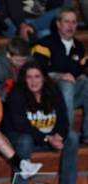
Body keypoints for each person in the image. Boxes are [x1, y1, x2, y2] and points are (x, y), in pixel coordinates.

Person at [2, 60, 79, 184]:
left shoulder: (53, 90)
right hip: (21, 136)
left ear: (44, 78)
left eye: (37, 76)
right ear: (24, 79)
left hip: (48, 136)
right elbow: (21, 125)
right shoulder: (16, 93)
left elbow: (63, 117)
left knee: (72, 137)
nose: (33, 81)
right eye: (29, 77)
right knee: (25, 140)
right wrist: (47, 138)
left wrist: (59, 136)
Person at [32, 7, 88, 143]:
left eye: (74, 22)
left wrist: (80, 77)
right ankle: (66, 133)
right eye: (67, 22)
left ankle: (87, 135)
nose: (71, 26)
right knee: (67, 83)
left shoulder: (79, 47)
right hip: (49, 94)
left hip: (72, 94)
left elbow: (82, 70)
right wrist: (58, 76)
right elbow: (36, 72)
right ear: (58, 24)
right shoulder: (44, 43)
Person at [0, 37, 32, 101]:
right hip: (3, 99)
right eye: (18, 60)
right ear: (8, 55)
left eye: (24, 60)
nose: (21, 64)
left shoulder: (29, 60)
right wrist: (10, 96)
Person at [1, 0, 69, 41]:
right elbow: (14, 9)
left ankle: (31, 31)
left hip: (38, 22)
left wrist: (33, 26)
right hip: (14, 21)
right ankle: (29, 33)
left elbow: (54, 9)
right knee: (46, 33)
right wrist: (22, 25)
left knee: (61, 12)